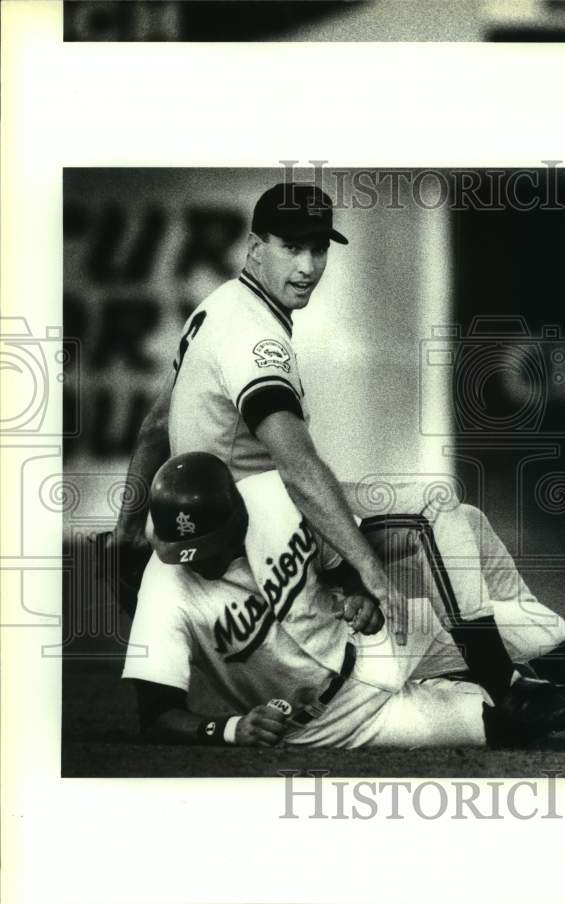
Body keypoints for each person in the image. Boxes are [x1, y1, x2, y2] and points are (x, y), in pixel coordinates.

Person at [122, 452, 565, 749]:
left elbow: (343, 560)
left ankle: (561, 663)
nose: (200, 562)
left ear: (237, 514)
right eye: (185, 552)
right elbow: (155, 718)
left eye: (210, 549)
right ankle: (541, 677)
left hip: (391, 635)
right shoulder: (165, 591)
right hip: (335, 723)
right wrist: (231, 728)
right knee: (508, 728)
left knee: (522, 605)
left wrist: (356, 591)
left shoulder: (274, 494)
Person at [111, 182, 407, 644]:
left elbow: (155, 426)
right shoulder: (254, 336)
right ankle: (512, 678)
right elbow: (297, 470)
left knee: (416, 541)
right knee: (437, 521)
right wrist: (367, 568)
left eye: (318, 249)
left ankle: (540, 660)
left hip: (214, 543)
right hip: (257, 552)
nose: (307, 267)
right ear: (254, 247)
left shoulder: (216, 308)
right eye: (291, 248)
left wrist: (125, 533)